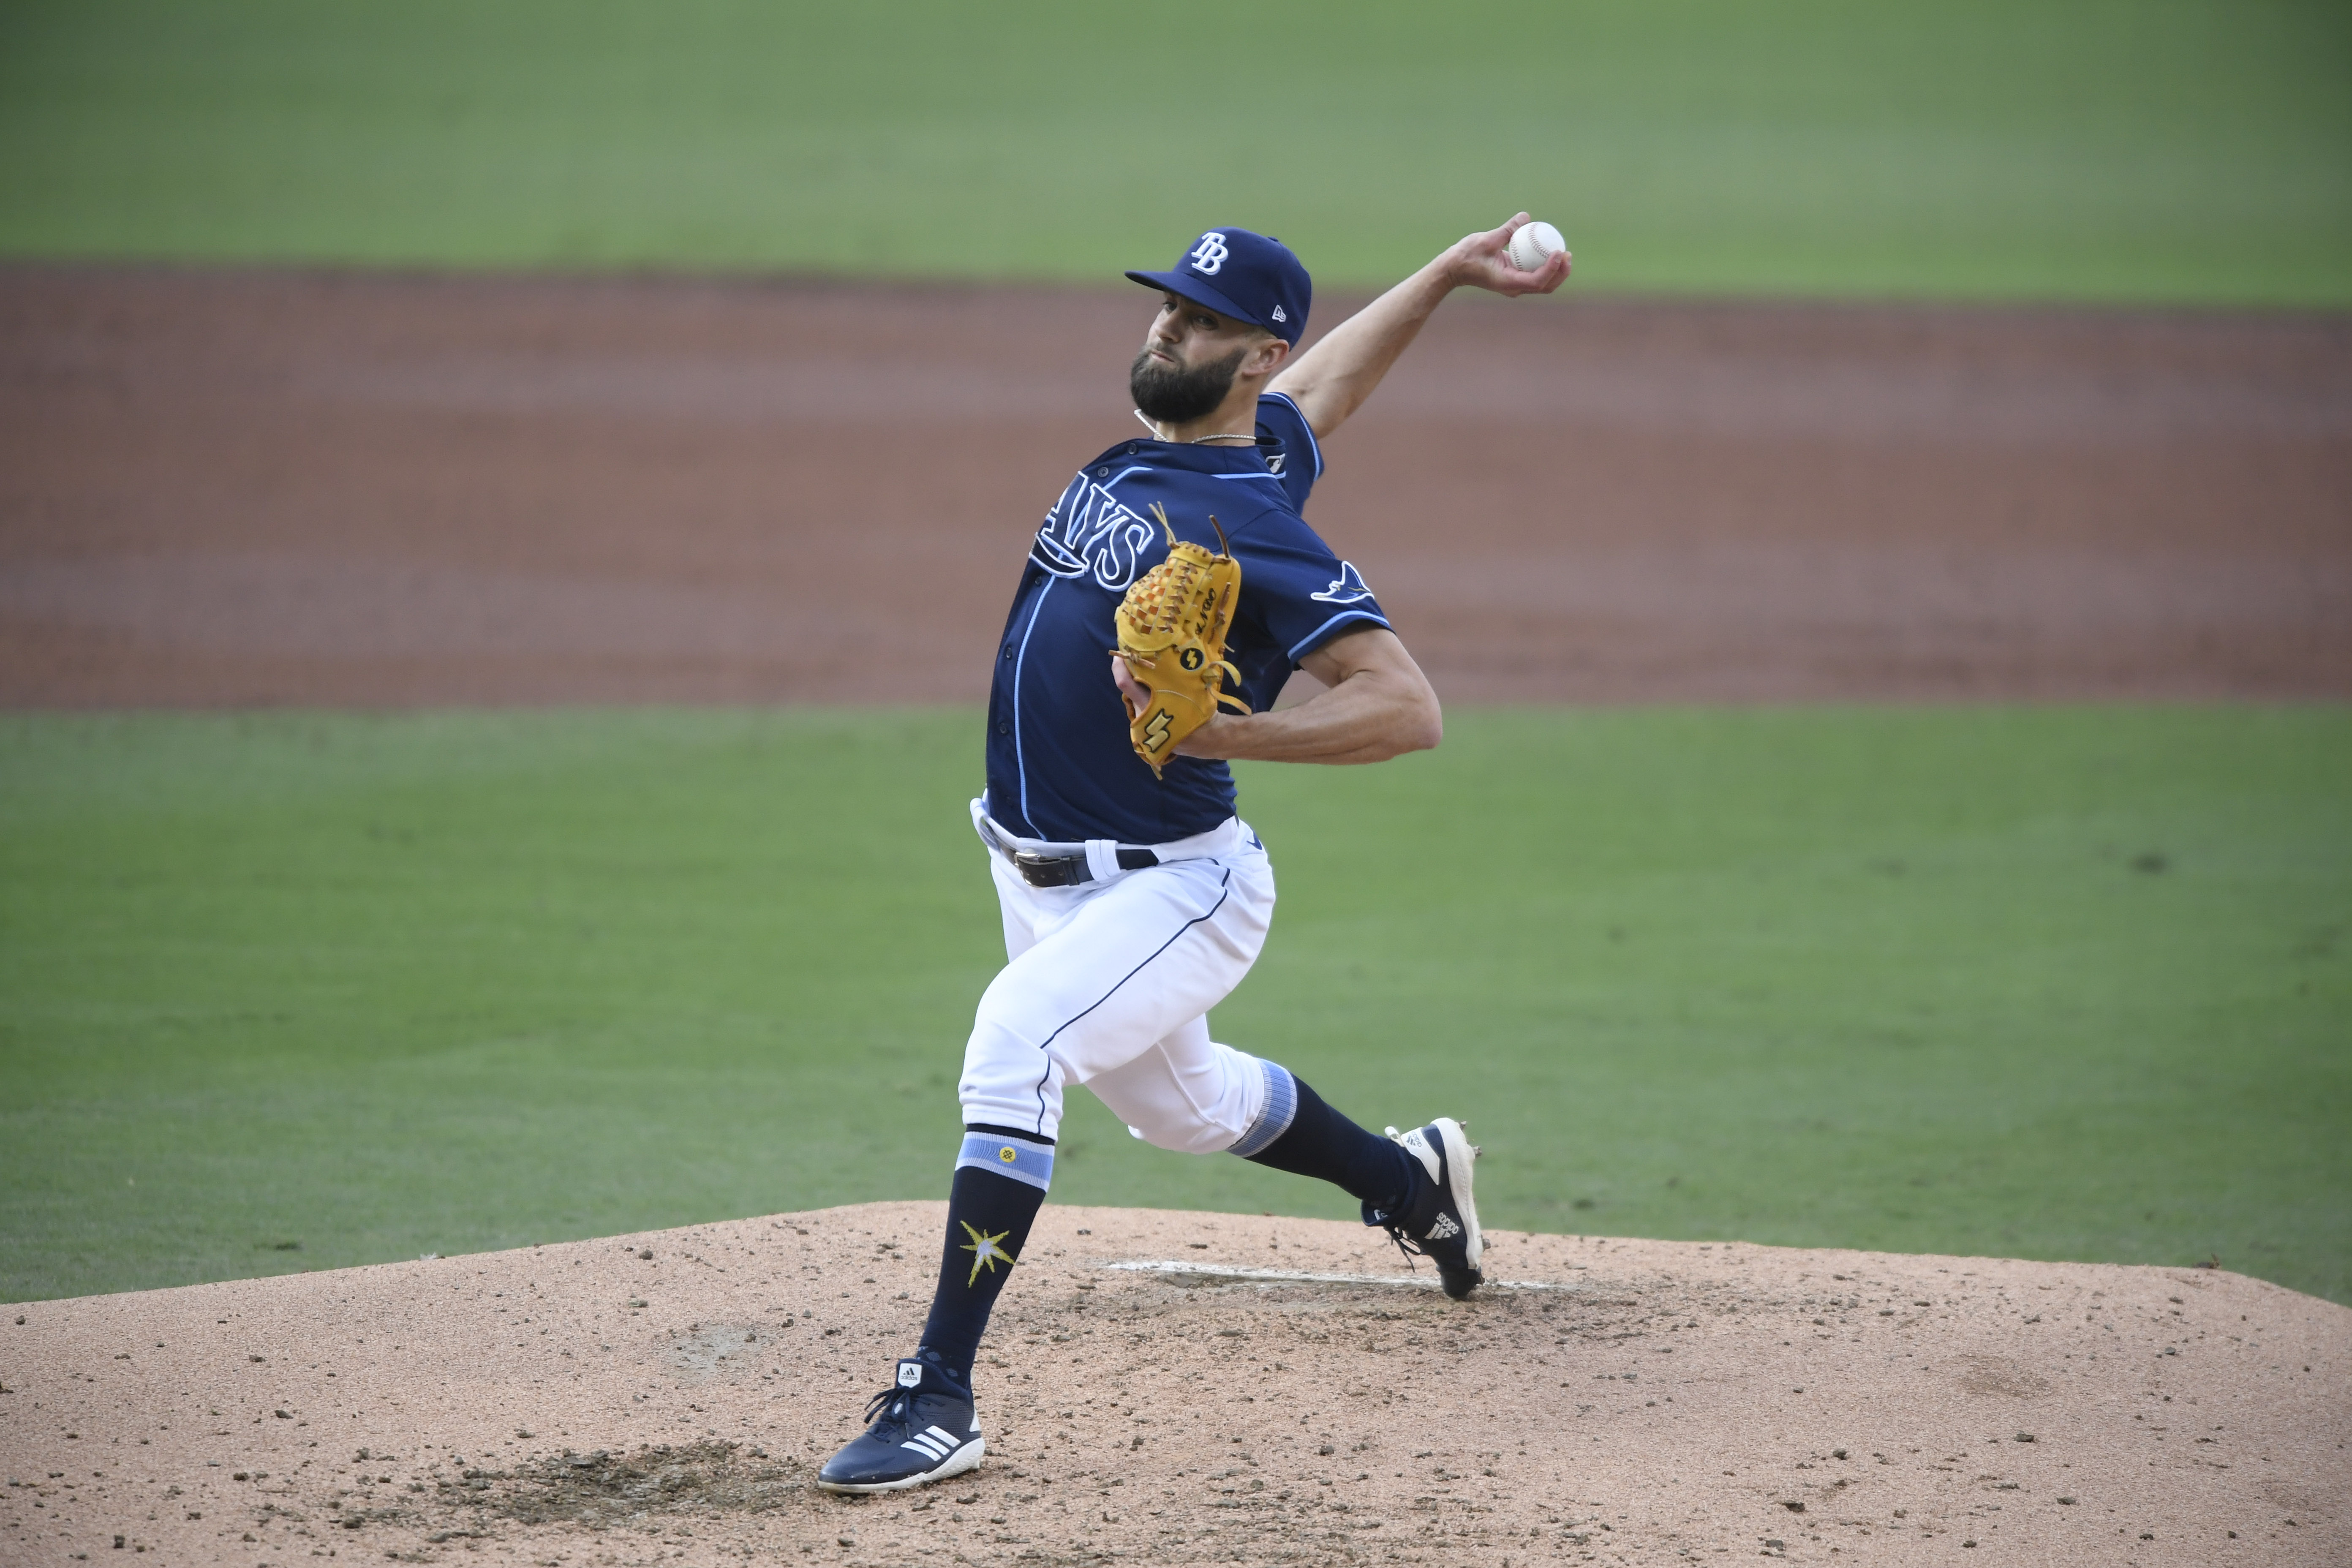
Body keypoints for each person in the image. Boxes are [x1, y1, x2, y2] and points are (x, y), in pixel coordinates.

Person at [818, 217, 1570, 1493]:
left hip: (1177, 883)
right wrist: (1443, 275)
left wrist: (1230, 729)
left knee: (1017, 1041)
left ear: (1250, 354)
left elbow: (1406, 706)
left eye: (1203, 320)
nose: (1168, 326)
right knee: (1191, 1111)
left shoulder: (1258, 522)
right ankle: (1417, 1184)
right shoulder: (1194, 450)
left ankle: (937, 1393)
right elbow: (1321, 389)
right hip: (1034, 869)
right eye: (1168, 306)